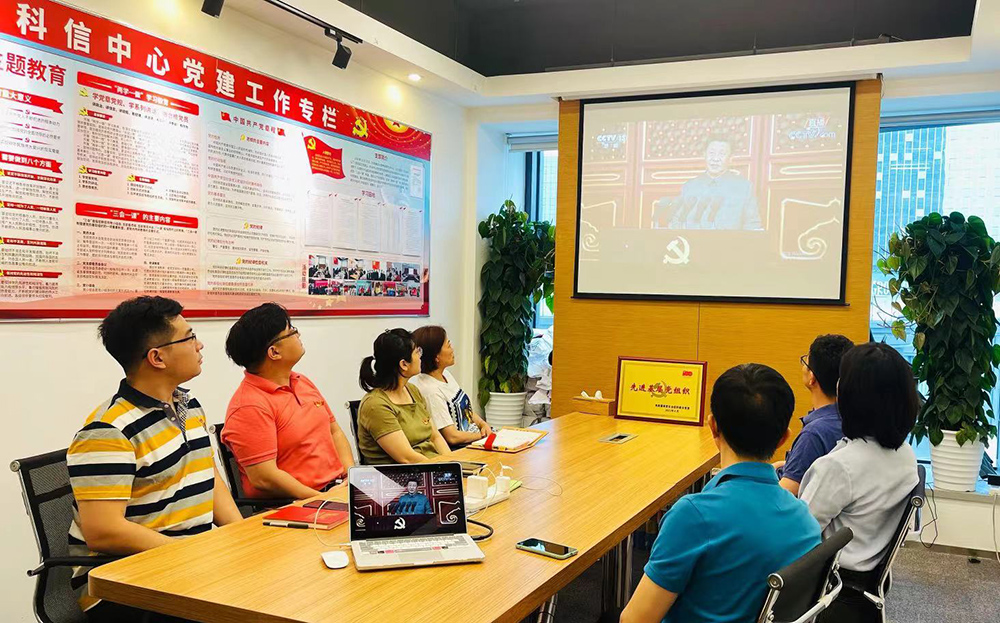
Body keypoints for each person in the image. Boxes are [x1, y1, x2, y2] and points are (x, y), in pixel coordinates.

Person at [67, 296, 242, 622]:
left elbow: (209, 476)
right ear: (157, 357)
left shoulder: (189, 407)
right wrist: (191, 554)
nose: (199, 345)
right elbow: (103, 530)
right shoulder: (108, 431)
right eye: (189, 337)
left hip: (186, 562)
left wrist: (242, 537)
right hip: (124, 583)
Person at [621, 363, 821, 623]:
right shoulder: (806, 521)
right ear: (784, 438)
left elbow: (635, 619)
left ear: (713, 426)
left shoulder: (693, 516)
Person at [800, 343, 919, 623]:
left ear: (850, 396)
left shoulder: (840, 467)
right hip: (867, 582)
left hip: (831, 590)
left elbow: (797, 534)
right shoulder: (905, 454)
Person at [222, 303, 354, 500]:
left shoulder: (301, 381)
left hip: (335, 491)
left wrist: (350, 476)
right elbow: (264, 478)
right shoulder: (249, 406)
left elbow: (334, 431)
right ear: (274, 352)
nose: (298, 334)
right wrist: (321, 499)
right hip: (296, 503)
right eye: (291, 331)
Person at [775, 334, 855, 496]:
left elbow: (785, 493)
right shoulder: (852, 418)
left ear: (812, 377)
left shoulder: (815, 434)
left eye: (806, 362)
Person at [357, 328, 450, 464]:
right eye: (417, 352)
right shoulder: (375, 405)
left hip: (432, 466)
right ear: (404, 364)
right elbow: (407, 458)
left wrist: (453, 463)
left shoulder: (412, 390)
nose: (420, 356)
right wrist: (444, 470)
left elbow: (435, 437)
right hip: (404, 473)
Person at [409, 326, 492, 449]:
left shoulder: (445, 375)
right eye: (448, 345)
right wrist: (483, 436)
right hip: (462, 448)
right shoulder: (430, 391)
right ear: (436, 357)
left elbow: (466, 411)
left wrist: (483, 424)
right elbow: (452, 437)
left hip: (476, 438)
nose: (452, 350)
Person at [655, 135, 762, 231]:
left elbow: (752, 225)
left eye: (722, 154)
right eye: (711, 153)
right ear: (704, 155)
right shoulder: (690, 187)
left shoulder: (744, 188)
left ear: (730, 159)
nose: (715, 159)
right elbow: (677, 221)